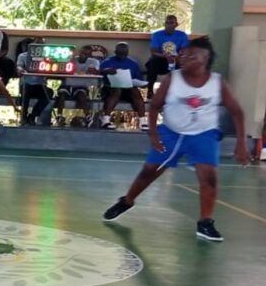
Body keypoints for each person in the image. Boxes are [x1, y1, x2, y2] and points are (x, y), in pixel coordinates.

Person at [103, 38, 249, 241]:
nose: (184, 58)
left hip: (203, 134)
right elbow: (155, 106)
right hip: (171, 133)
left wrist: (241, 143)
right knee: (148, 172)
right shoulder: (173, 79)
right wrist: (153, 133)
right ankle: (127, 201)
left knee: (209, 178)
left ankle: (205, 223)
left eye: (191, 55)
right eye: (183, 54)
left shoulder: (217, 82)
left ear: (205, 59)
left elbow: (237, 112)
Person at [99, 42, 149, 130]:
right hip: (110, 90)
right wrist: (105, 71)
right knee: (117, 89)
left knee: (135, 91)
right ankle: (106, 120)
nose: (122, 55)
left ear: (127, 52)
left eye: (124, 53)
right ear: (115, 52)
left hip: (128, 90)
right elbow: (98, 74)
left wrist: (143, 84)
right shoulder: (107, 62)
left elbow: (138, 80)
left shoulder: (133, 64)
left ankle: (143, 121)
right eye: (120, 53)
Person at [55, 45, 100, 126]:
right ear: (79, 52)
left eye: (86, 54)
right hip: (67, 84)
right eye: (82, 53)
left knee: (81, 95)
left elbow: (93, 72)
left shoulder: (93, 62)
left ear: (90, 55)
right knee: (61, 94)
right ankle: (60, 116)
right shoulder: (71, 60)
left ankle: (88, 117)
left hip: (81, 85)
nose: (83, 55)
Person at [145, 15, 188, 99]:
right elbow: (153, 52)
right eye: (167, 23)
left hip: (176, 60)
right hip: (161, 60)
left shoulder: (182, 35)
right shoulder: (157, 35)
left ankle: (178, 92)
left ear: (176, 24)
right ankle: (150, 91)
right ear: (164, 24)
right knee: (152, 63)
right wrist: (165, 56)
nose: (169, 25)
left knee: (183, 64)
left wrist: (176, 57)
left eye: (171, 23)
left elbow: (185, 51)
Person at [15, 37, 51, 125]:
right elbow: (19, 67)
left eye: (41, 45)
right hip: (26, 83)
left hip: (40, 84)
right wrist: (20, 70)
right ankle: (23, 117)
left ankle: (33, 115)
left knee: (49, 94)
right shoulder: (23, 56)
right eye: (36, 44)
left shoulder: (46, 58)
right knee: (25, 94)